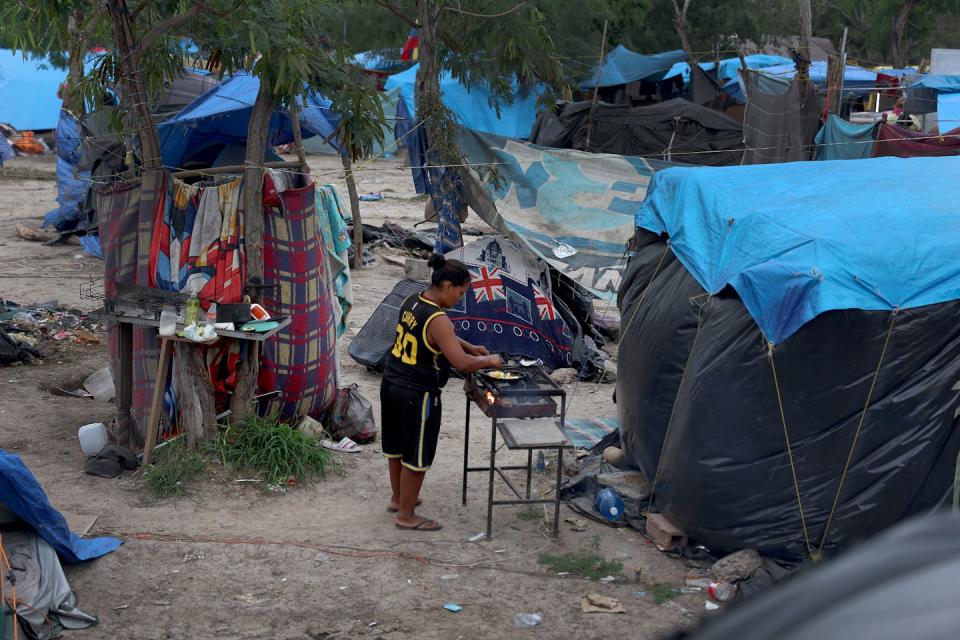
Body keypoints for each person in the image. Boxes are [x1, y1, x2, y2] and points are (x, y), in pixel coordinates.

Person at [381, 254, 502, 531]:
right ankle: (407, 516)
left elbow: (438, 335)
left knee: (397, 446)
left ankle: (398, 499)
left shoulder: (413, 299)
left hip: (391, 383)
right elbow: (459, 362)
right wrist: (488, 361)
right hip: (417, 393)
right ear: (447, 286)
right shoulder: (439, 318)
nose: (460, 299)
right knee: (417, 453)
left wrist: (468, 346)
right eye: (460, 293)